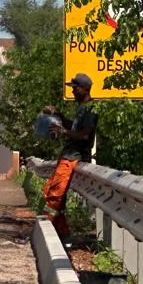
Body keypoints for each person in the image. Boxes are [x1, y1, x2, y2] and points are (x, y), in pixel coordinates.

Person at [41, 73, 98, 243]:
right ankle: (62, 232)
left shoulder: (91, 109)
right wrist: (58, 116)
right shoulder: (82, 108)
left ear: (84, 89)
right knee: (51, 192)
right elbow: (74, 128)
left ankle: (46, 229)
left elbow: (84, 135)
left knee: (55, 195)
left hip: (72, 158)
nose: (72, 92)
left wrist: (63, 132)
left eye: (75, 88)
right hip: (67, 155)